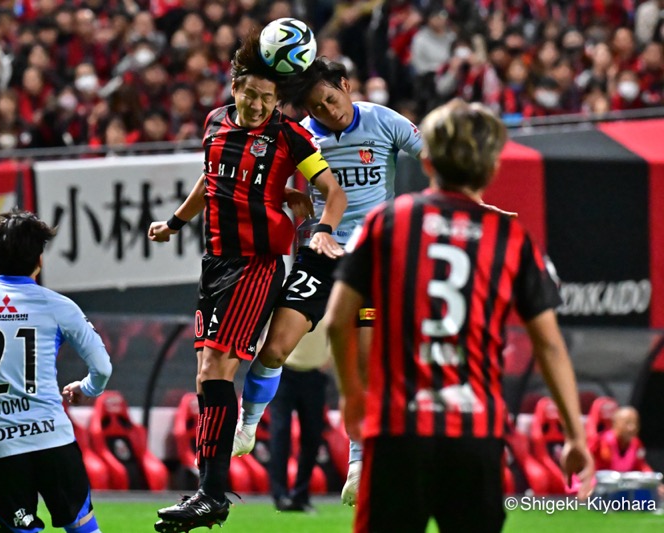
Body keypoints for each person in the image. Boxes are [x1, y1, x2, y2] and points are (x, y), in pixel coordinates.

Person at [326, 99, 594, 533]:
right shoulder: (512, 238)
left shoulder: (384, 221)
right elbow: (548, 344)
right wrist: (575, 436)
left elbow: (340, 320)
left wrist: (352, 395)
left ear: (426, 160)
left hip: (397, 431)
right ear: (492, 168)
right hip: (476, 433)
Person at [147, 30, 346, 533]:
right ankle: (209, 491)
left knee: (217, 366)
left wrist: (322, 227)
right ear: (233, 88)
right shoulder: (215, 122)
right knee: (207, 374)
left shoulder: (288, 136)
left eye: (267, 97)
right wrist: (175, 222)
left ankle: (211, 492)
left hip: (257, 262)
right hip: (214, 261)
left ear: (278, 100)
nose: (257, 105)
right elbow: (208, 179)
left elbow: (330, 188)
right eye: (250, 94)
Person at [231, 57, 423, 508]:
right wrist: (290, 195)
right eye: (316, 108)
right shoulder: (304, 137)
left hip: (370, 261)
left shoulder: (384, 120)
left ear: (345, 85)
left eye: (331, 100)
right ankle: (248, 423)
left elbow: (434, 156)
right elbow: (260, 184)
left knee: (359, 369)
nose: (328, 112)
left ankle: (358, 466)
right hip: (320, 252)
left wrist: (468, 202)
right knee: (276, 347)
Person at [0, 209, 112, 533]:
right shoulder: (58, 305)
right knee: (83, 528)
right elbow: (102, 367)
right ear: (39, 258)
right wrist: (88, 388)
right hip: (52, 439)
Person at [268, 321, 331, 513]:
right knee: (280, 433)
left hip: (315, 373)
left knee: (312, 436)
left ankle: (301, 495)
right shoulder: (284, 290)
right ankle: (280, 496)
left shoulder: (331, 294)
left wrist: (329, 360)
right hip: (283, 370)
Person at [592, 406, 654, 472]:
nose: (632, 428)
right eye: (627, 423)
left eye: (635, 423)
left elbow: (641, 465)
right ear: (615, 424)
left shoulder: (637, 444)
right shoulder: (601, 442)